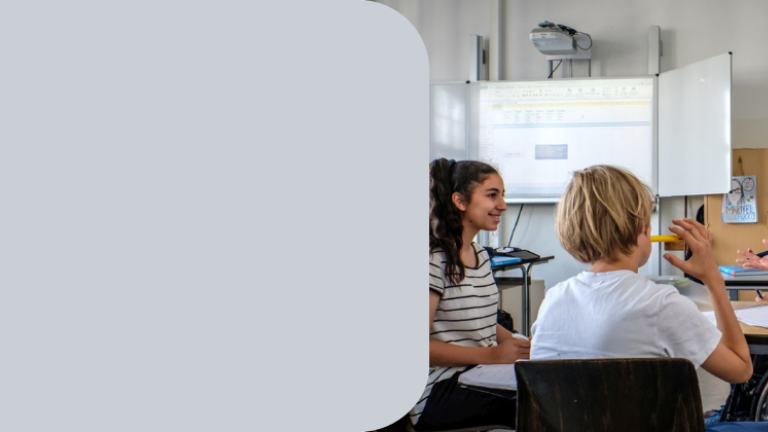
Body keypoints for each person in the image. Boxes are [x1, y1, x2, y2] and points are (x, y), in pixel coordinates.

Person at [530, 165, 762, 431]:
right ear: (641, 226)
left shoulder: (552, 302)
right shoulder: (662, 305)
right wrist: (714, 280)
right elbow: (741, 369)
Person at [411, 158, 529, 431]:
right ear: (460, 201)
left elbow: (481, 320)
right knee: (538, 399)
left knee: (544, 385)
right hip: (439, 392)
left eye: (503, 195)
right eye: (492, 195)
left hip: (479, 376)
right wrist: (495, 355)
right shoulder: (432, 259)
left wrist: (522, 346)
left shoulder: (480, 256)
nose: (503, 205)